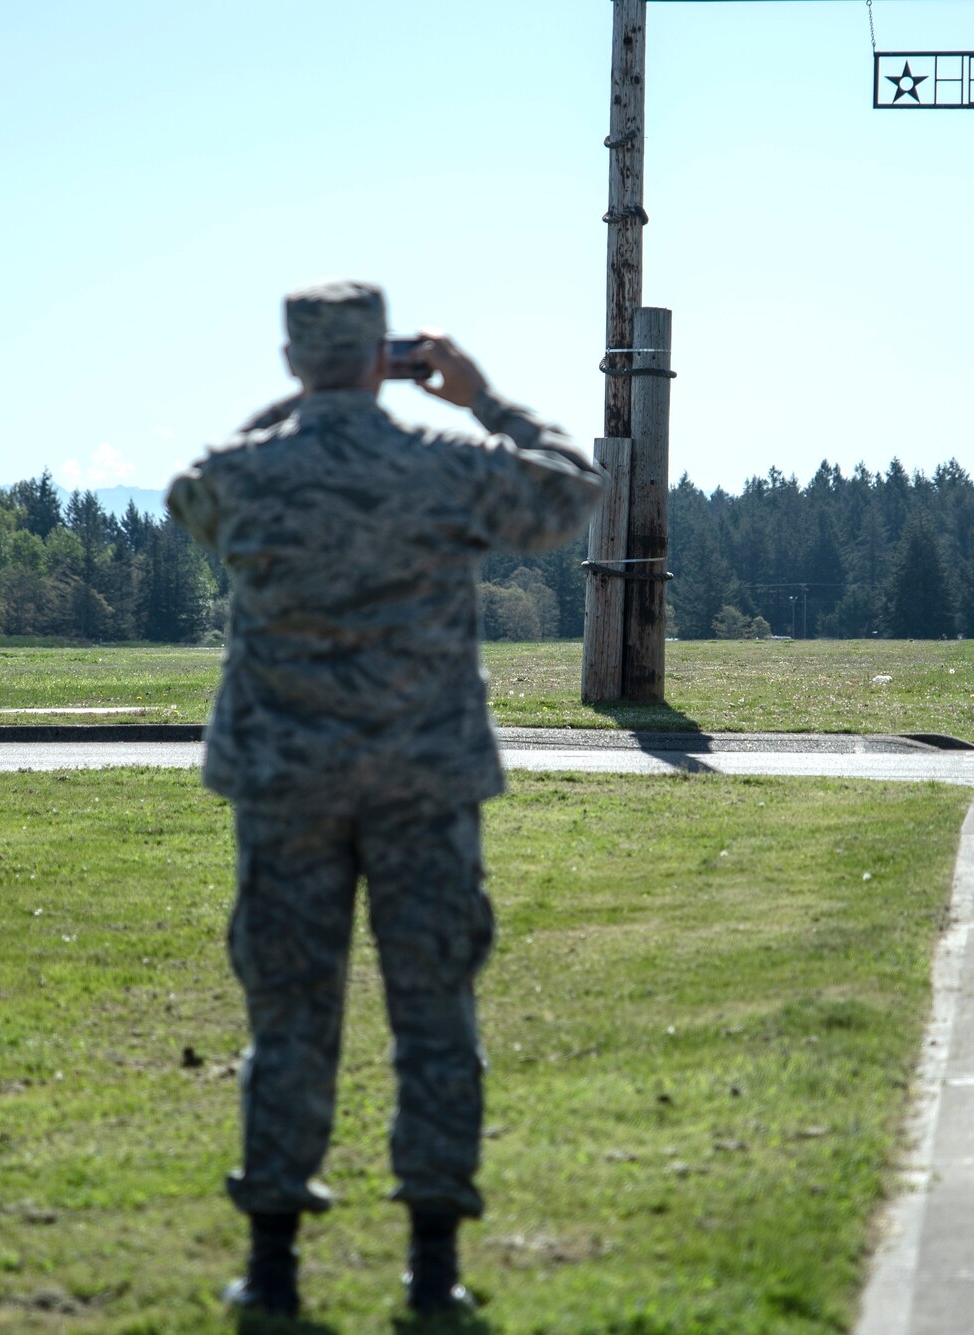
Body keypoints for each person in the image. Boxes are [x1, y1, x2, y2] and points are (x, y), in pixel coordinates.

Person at [166, 279, 603, 1317]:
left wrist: (301, 410)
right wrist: (482, 399)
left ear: (289, 362)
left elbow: (192, 490)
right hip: (424, 783)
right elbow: (569, 487)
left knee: (289, 1018)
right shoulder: (439, 470)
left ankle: (271, 1269)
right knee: (436, 1018)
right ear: (384, 358)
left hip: (286, 789)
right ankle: (433, 1273)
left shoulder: (247, 475)